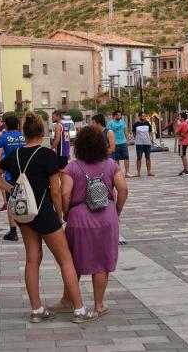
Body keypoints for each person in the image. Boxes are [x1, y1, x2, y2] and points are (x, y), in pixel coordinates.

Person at [0, 112, 97, 323]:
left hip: (24, 212)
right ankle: (79, 310)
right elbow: (55, 191)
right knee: (65, 260)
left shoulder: (15, 155)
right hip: (45, 213)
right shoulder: (47, 155)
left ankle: (37, 309)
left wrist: (12, 189)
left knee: (32, 259)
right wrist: (61, 214)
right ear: (41, 132)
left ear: (24, 133)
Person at [57, 125, 128, 317]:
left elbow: (64, 194)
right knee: (102, 263)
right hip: (106, 217)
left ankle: (68, 299)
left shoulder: (72, 167)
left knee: (73, 261)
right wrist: (117, 210)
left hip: (78, 219)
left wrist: (66, 213)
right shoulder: (111, 165)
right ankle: (99, 304)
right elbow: (123, 189)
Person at [0, 115, 26, 241]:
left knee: (12, 201)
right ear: (18, 125)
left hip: (10, 174)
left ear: (5, 125)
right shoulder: (24, 136)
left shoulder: (2, 138)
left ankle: (13, 232)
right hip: (26, 172)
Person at [106, 111, 131, 178]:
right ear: (114, 116)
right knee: (116, 159)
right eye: (118, 115)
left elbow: (125, 131)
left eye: (120, 115)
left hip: (123, 142)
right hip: (115, 143)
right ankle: (118, 173)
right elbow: (107, 133)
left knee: (126, 157)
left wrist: (128, 140)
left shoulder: (122, 122)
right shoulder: (110, 123)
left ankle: (127, 172)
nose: (120, 116)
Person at [131, 112, 154, 177]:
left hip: (147, 143)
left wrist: (147, 138)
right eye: (143, 116)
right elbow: (134, 133)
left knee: (148, 157)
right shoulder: (136, 124)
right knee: (139, 157)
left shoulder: (148, 124)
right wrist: (137, 139)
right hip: (139, 143)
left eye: (145, 116)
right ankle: (138, 173)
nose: (144, 117)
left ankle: (149, 172)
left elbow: (149, 132)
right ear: (139, 117)